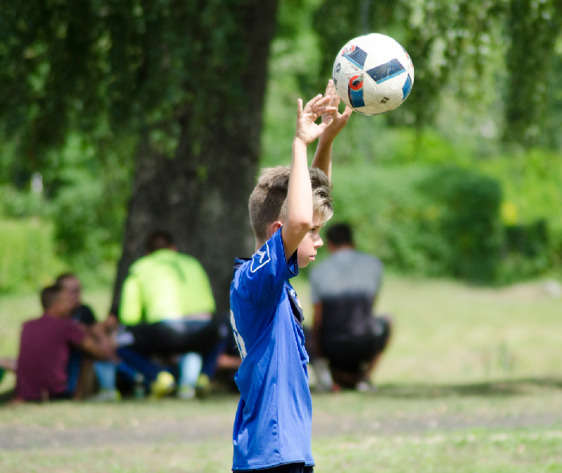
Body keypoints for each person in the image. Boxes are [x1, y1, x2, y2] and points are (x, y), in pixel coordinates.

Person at [229, 80, 351, 473]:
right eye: (312, 234)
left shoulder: (275, 279)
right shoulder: (253, 282)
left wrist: (325, 143)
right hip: (271, 454)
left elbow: (306, 207)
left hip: (286, 453)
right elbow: (299, 218)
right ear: (278, 231)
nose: (318, 240)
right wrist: (298, 143)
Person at [116, 230, 223, 399]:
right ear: (173, 248)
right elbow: (209, 305)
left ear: (147, 253)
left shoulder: (140, 268)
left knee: (121, 343)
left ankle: (159, 377)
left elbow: (129, 316)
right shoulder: (193, 263)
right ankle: (204, 377)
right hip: (202, 327)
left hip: (166, 329)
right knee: (220, 335)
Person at [308, 222, 392, 392]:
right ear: (353, 242)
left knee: (298, 329)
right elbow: (371, 305)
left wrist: (318, 352)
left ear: (329, 244)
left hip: (331, 345)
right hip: (363, 341)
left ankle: (325, 376)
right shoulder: (374, 265)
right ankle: (365, 377)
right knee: (388, 321)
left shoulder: (318, 270)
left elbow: (318, 317)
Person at [13, 284, 115, 402]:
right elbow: (100, 354)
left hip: (26, 393)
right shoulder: (66, 326)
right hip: (57, 392)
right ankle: (80, 397)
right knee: (86, 353)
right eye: (67, 302)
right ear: (56, 305)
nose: (71, 306)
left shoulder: (28, 325)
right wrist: (99, 333)